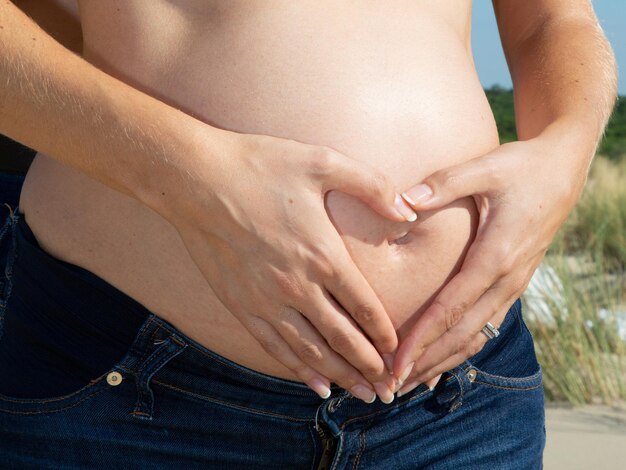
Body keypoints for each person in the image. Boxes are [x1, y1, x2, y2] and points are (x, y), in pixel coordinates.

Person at [0, 0, 617, 468]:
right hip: (135, 393)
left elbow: (553, 20)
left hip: (458, 399)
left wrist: (563, 159)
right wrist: (188, 178)